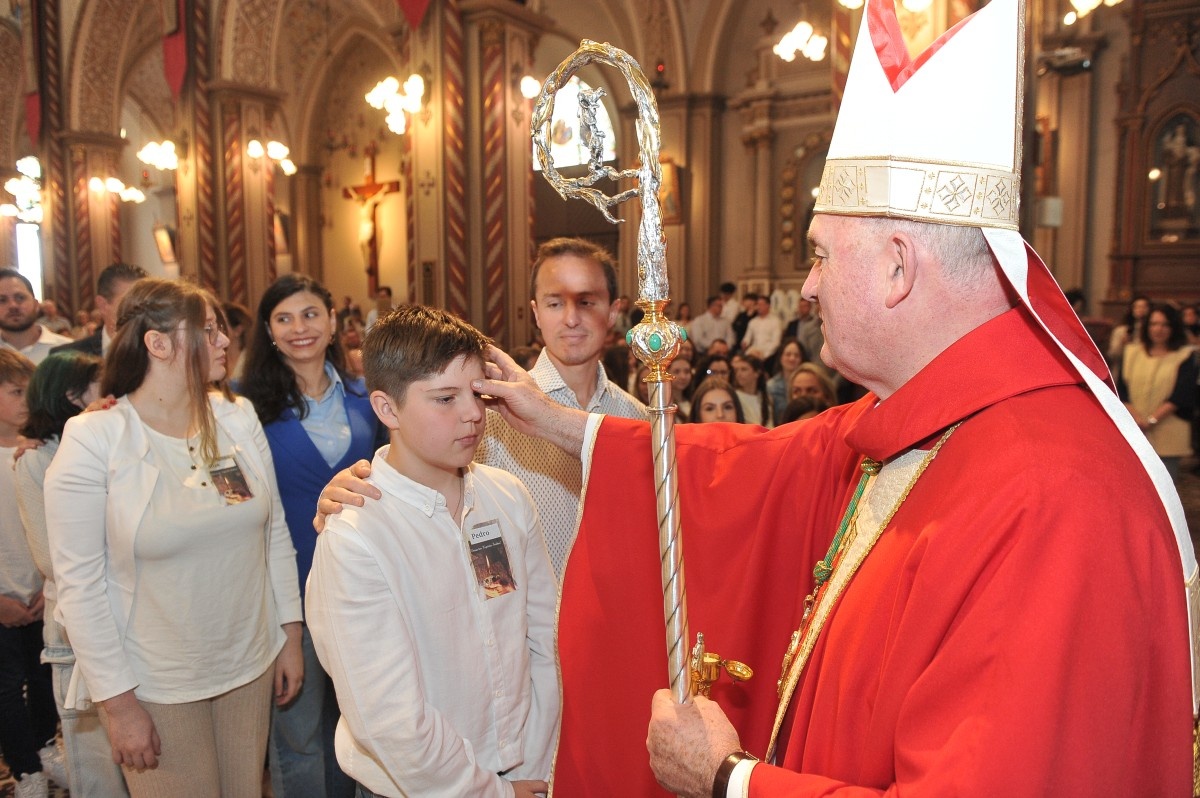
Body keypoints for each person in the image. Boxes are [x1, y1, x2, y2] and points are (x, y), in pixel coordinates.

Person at [442, 0, 1197, 793]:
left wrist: (731, 780)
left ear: (900, 267)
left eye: (821, 257)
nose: (804, 287)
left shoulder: (1052, 497)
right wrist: (560, 422)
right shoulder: (930, 421)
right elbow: (758, 467)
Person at [45, 279, 304, 797]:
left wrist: (290, 633)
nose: (226, 341)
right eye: (208, 331)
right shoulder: (96, 438)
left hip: (248, 659)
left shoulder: (236, 416)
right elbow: (80, 586)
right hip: (155, 679)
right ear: (157, 343)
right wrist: (118, 705)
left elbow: (272, 531)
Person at [306, 305, 558, 797]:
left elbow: (545, 640)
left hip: (526, 768)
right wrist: (490, 792)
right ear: (387, 409)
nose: (472, 413)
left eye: (476, 393)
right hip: (418, 787)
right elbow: (390, 718)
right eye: (445, 398)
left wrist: (539, 760)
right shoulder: (356, 535)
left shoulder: (506, 496)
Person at [237, 275, 380, 798]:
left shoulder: (370, 399)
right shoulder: (241, 407)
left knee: (366, 730)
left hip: (362, 585)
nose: (300, 328)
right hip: (284, 589)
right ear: (269, 331)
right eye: (284, 318)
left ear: (332, 322)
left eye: (310, 314)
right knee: (299, 737)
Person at [473, 237, 646, 578]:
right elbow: (468, 523)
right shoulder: (494, 416)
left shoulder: (636, 418)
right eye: (555, 304)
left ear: (613, 311)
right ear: (536, 313)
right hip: (528, 626)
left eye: (585, 302)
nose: (571, 319)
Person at [15, 351, 127, 798]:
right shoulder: (36, 461)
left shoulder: (110, 444)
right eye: (101, 385)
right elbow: (50, 558)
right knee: (96, 766)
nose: (114, 393)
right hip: (72, 632)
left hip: (121, 619)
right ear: (74, 396)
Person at [0, 349, 58, 798]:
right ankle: (25, 770)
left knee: (43, 682)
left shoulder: (39, 452)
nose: (26, 400)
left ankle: (44, 750)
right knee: (5, 690)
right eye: (16, 391)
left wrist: (45, 586)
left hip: (38, 591)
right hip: (1, 596)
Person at [1118, 303, 1196, 481]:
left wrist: (1150, 421)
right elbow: (1122, 390)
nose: (1158, 329)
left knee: (1164, 491)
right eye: (1154, 324)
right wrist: (1137, 420)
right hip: (1133, 430)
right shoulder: (1131, 352)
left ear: (1174, 327)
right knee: (1133, 486)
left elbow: (1181, 395)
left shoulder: (1185, 355)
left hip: (1168, 431)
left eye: (1165, 324)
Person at [52, 262, 148, 358]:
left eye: (145, 302)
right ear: (103, 305)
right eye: (129, 303)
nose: (141, 309)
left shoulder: (158, 351)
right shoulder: (67, 357)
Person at [0, 270, 71, 365]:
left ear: (36, 305)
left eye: (20, 298)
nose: (13, 305)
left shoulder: (69, 350)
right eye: (2, 300)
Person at [765, 339, 806, 423]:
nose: (792, 358)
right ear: (781, 358)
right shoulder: (771, 386)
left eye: (796, 355)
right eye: (788, 354)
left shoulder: (808, 382)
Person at [1106, 294, 1150, 364]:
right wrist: (1122, 344)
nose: (1141, 310)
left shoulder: (1152, 331)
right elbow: (1112, 355)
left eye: (1144, 307)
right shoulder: (1121, 330)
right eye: (1137, 307)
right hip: (1124, 364)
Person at [740, 295, 783, 362]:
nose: (758, 307)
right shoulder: (753, 322)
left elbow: (776, 342)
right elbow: (747, 338)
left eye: (761, 304)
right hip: (753, 352)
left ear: (768, 305)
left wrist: (764, 354)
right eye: (757, 304)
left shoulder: (775, 321)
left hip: (769, 354)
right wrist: (745, 343)